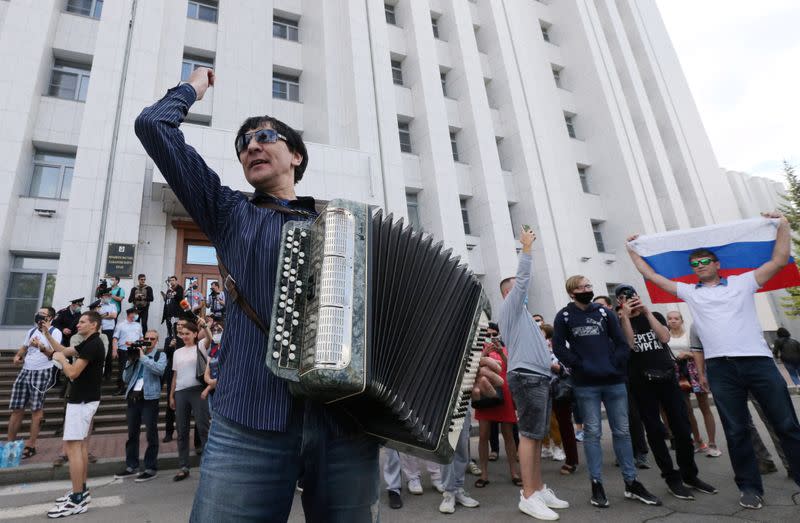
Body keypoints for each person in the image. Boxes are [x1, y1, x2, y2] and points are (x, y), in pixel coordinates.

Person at [136, 67, 504, 521]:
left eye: (265, 136)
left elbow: (405, 323)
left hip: (345, 429)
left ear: (296, 155)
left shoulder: (351, 234)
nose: (251, 145)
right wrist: (194, 87)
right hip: (250, 420)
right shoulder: (229, 211)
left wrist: (462, 374)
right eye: (242, 144)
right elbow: (153, 126)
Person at [626, 211, 800, 509]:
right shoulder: (689, 292)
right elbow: (653, 276)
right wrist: (633, 250)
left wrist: (782, 224)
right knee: (735, 429)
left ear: (717, 264)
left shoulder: (743, 282)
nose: (700, 266)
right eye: (695, 263)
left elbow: (779, 260)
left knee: (786, 424)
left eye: (705, 261)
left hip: (757, 362)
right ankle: (749, 487)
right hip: (721, 367)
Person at [552, 275, 661, 509]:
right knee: (592, 433)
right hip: (585, 383)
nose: (586, 290)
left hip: (614, 381)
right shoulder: (564, 316)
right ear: (572, 292)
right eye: (581, 287)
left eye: (589, 286)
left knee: (622, 431)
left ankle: (631, 482)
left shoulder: (604, 313)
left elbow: (622, 342)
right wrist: (579, 365)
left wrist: (615, 364)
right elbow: (559, 346)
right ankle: (596, 484)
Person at [615, 284, 717, 500]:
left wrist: (647, 312)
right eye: (625, 297)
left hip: (667, 377)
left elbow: (664, 337)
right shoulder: (618, 321)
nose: (631, 299)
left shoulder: (655, 315)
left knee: (682, 426)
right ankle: (672, 478)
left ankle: (690, 475)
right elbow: (630, 344)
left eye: (633, 295)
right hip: (641, 383)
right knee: (655, 431)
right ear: (618, 302)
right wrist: (625, 317)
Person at [498, 226, 569, 520]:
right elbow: (523, 280)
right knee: (529, 435)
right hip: (526, 378)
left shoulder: (524, 316)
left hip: (538, 377)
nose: (523, 292)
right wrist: (526, 248)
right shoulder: (511, 308)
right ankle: (528, 495)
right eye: (517, 289)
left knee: (536, 436)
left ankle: (537, 488)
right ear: (509, 293)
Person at [43, 311, 105, 518]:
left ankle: (77, 498)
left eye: (83, 322)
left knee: (73, 446)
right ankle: (82, 490)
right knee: (79, 446)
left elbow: (72, 373)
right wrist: (48, 335)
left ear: (94, 325)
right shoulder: (88, 342)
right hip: (82, 399)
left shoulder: (94, 344)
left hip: (82, 400)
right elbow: (62, 350)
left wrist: (61, 360)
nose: (78, 324)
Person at [665, 311, 722, 457]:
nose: (673, 321)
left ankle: (712, 443)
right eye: (670, 319)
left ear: (681, 320)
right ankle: (698, 441)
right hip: (678, 374)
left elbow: (700, 351)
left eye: (676, 318)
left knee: (704, 406)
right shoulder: (666, 336)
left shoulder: (689, 334)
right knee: (687, 409)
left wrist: (687, 354)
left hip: (694, 370)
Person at [7, 307, 60, 460]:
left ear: (50, 317)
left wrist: (40, 346)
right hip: (25, 371)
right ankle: (10, 444)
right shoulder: (31, 331)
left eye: (42, 314)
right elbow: (23, 349)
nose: (38, 316)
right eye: (38, 313)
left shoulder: (55, 332)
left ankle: (31, 445)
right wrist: (17, 356)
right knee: (17, 408)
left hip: (42, 372)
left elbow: (54, 354)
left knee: (36, 410)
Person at [474, 322, 521, 489]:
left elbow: (513, 369)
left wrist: (502, 353)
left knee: (509, 435)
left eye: (494, 334)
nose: (491, 337)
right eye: (488, 334)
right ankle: (484, 474)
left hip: (505, 393)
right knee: (483, 435)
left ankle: (514, 472)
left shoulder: (505, 349)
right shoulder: (478, 349)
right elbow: (472, 371)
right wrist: (482, 356)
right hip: (485, 393)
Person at [115, 330, 166, 482]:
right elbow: (126, 378)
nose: (149, 340)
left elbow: (159, 370)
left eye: (152, 338)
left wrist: (143, 357)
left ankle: (150, 467)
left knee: (151, 433)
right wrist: (131, 360)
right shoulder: (137, 355)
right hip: (133, 397)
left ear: (157, 341)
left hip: (150, 398)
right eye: (147, 338)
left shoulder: (160, 355)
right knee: (132, 433)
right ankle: (131, 466)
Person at [170, 320, 210, 481]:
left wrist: (205, 326)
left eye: (188, 333)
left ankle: (207, 464)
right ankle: (183, 466)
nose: (185, 336)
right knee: (182, 430)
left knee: (203, 428)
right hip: (180, 392)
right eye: (182, 334)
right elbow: (175, 375)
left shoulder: (200, 347)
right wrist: (171, 395)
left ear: (195, 334)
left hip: (197, 391)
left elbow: (210, 339)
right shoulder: (177, 352)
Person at [540, 324, 579, 475]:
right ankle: (546, 449)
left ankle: (569, 458)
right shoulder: (534, 350)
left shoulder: (560, 348)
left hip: (559, 391)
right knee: (543, 422)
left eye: (543, 335)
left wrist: (554, 366)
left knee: (563, 424)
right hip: (541, 391)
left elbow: (568, 369)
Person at [112, 308, 144, 395]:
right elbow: (115, 338)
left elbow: (141, 337)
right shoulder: (120, 325)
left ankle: (133, 388)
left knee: (136, 369)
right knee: (122, 369)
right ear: (130, 314)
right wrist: (114, 350)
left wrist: (142, 346)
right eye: (135, 313)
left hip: (136, 350)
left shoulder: (138, 325)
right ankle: (121, 388)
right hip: (124, 350)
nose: (136, 315)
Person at [97, 288, 118, 381]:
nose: (108, 297)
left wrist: (103, 315)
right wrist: (107, 315)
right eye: (107, 296)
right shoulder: (98, 305)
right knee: (99, 350)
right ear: (102, 296)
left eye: (109, 296)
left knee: (109, 352)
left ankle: (108, 373)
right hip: (99, 330)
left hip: (109, 330)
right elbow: (96, 316)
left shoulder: (113, 305)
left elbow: (114, 316)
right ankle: (98, 372)